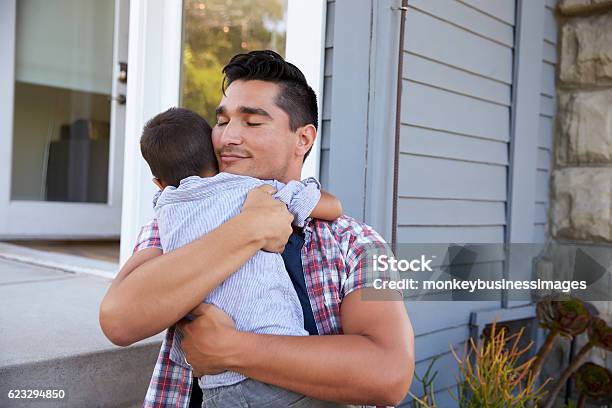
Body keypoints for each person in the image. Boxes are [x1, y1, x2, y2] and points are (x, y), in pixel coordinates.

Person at [100, 50, 415, 408]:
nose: (228, 137)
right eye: (222, 121)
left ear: (304, 139)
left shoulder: (357, 245)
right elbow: (120, 320)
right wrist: (249, 228)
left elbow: (389, 374)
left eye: (252, 123)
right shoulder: (175, 219)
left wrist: (231, 349)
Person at [140, 106, 345, 406]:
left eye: (252, 122)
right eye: (223, 123)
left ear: (158, 183)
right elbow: (330, 207)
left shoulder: (163, 211)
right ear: (216, 158)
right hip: (278, 366)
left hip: (214, 382)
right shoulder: (249, 189)